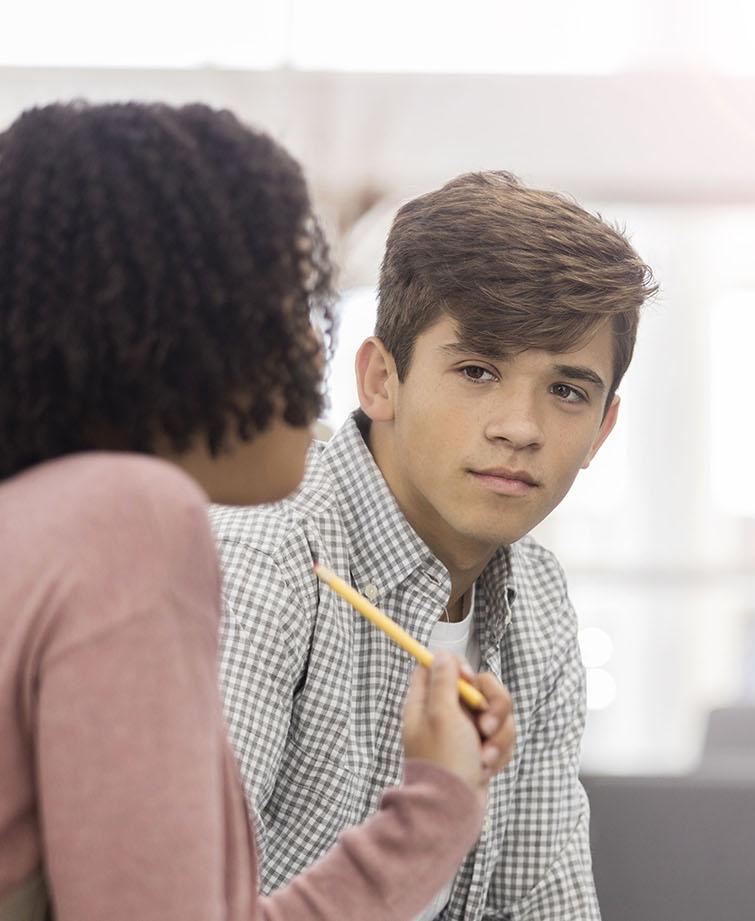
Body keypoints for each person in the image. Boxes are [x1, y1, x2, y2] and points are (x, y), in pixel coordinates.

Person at [0, 100, 518, 919]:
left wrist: (440, 793)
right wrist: (436, 805)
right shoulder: (128, 522)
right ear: (173, 325)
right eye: (294, 301)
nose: (316, 348)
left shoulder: (36, 524)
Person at [211, 170, 653, 920]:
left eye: (568, 390)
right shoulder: (266, 559)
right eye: (477, 370)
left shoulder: (537, 601)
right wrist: (437, 806)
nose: (521, 426)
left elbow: (545, 902)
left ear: (601, 430)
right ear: (382, 380)